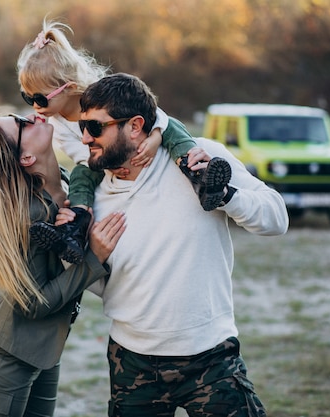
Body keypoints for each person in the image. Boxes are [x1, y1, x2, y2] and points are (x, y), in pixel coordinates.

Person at [66, 72, 289, 417]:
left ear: (136, 126)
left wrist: (224, 196)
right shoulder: (90, 198)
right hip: (132, 363)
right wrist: (92, 255)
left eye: (95, 128)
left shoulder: (201, 160)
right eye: (83, 127)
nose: (84, 138)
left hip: (211, 358)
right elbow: (102, 285)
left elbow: (276, 218)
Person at [16, 20, 232, 264]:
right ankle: (75, 227)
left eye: (41, 99)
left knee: (173, 127)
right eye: (28, 97)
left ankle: (198, 175)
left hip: (140, 140)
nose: (35, 106)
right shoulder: (58, 125)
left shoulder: (102, 94)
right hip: (100, 160)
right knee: (80, 177)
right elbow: (83, 157)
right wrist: (108, 165)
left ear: (71, 87)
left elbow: (156, 114)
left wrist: (155, 137)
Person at [0, 113, 127, 417]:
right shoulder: (30, 216)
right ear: (25, 157)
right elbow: (32, 303)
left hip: (44, 351)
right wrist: (94, 259)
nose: (31, 115)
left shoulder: (68, 187)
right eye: (21, 123)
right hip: (6, 358)